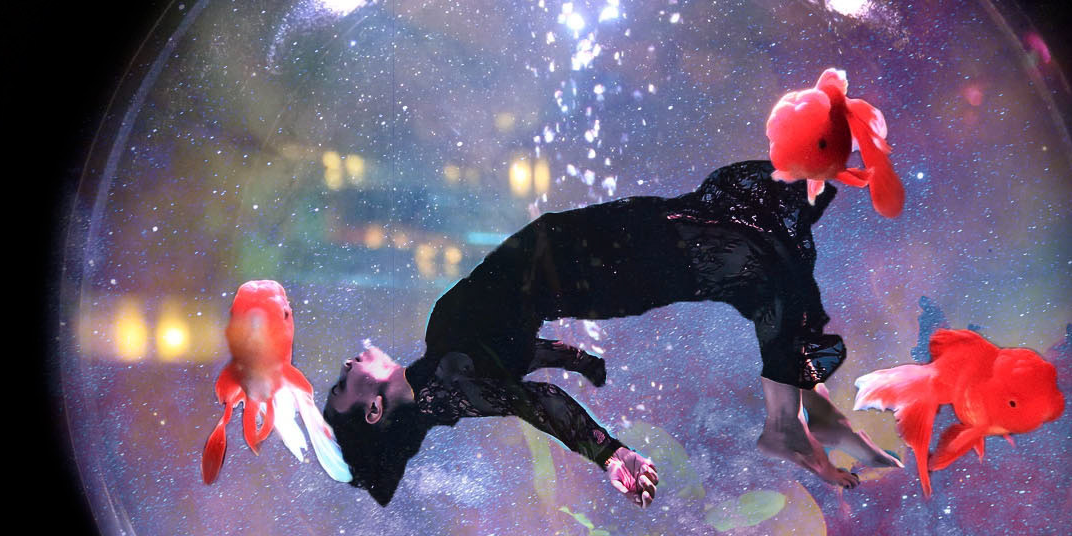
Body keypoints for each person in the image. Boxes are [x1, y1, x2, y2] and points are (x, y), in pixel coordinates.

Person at [322, 160, 900, 507]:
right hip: (593, 265)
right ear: (374, 411)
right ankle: (792, 422)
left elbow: (512, 354)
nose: (347, 365)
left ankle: (806, 409)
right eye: (343, 384)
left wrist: (576, 358)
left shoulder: (442, 369)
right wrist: (608, 452)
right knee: (753, 254)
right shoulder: (449, 378)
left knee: (750, 244)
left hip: (584, 252)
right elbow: (535, 401)